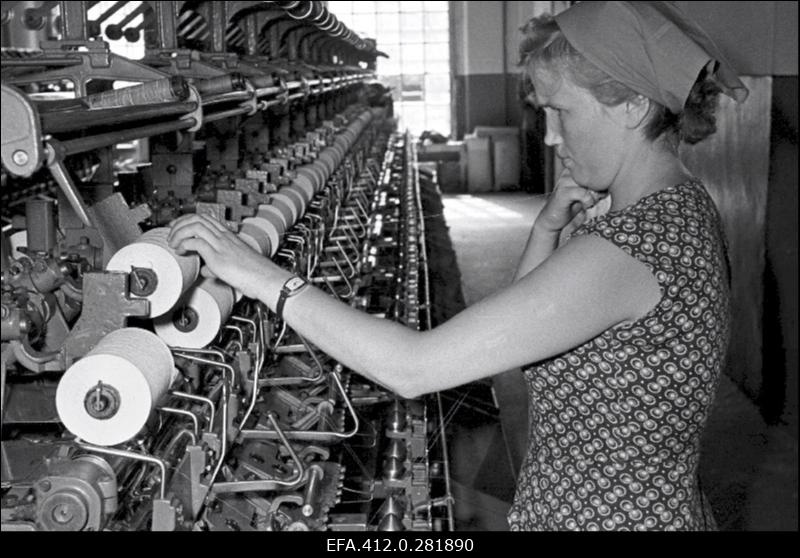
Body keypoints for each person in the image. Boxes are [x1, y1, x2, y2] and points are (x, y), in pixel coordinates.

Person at [167, 1, 748, 531]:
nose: (548, 137)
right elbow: (526, 334)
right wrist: (547, 227)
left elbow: (414, 368)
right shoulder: (673, 210)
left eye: (560, 112)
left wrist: (262, 276)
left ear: (632, 105)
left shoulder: (633, 247)